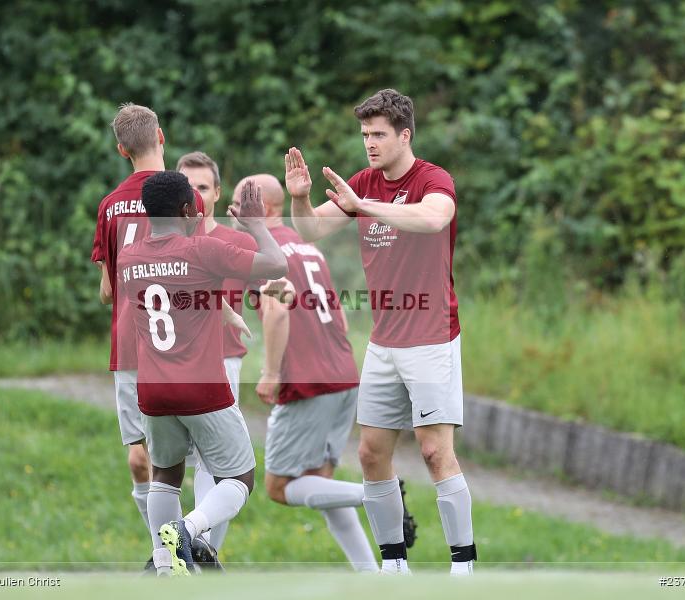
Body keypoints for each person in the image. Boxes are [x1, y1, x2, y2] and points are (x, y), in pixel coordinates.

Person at [286, 89, 476, 575]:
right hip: (385, 341)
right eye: (365, 134)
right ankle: (394, 568)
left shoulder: (433, 179)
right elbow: (310, 231)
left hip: (432, 336)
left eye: (379, 135)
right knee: (371, 454)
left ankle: (463, 568)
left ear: (404, 134)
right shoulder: (363, 183)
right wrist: (302, 198)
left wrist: (365, 205)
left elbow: (434, 218)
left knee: (435, 452)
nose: (369, 143)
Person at [91, 104, 246, 562]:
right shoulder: (189, 200)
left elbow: (107, 291)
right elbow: (198, 269)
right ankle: (195, 549)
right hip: (184, 344)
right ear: (162, 135)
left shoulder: (108, 206)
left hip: (132, 345)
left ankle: (165, 559)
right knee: (209, 460)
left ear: (121, 149)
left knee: (148, 463)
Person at [117, 172, 287, 576]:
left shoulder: (129, 258)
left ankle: (164, 566)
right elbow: (277, 263)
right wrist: (257, 225)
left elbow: (175, 298)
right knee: (239, 476)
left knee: (166, 475)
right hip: (202, 387)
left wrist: (220, 309)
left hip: (153, 390)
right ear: (188, 210)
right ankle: (188, 530)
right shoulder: (203, 250)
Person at [232, 174, 379, 572]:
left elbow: (278, 310)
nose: (234, 215)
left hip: (308, 382)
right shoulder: (308, 247)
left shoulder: (263, 249)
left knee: (279, 487)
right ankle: (374, 578)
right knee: (320, 482)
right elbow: (343, 321)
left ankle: (378, 496)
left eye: (240, 205)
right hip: (343, 375)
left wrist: (271, 372)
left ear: (265, 210)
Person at [176, 150, 258, 552]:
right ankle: (191, 544)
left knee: (216, 463)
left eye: (203, 187)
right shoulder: (163, 241)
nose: (194, 194)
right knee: (173, 466)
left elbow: (269, 287)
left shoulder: (235, 241)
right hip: (170, 364)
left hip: (222, 362)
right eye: (187, 186)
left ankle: (199, 546)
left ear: (218, 192)